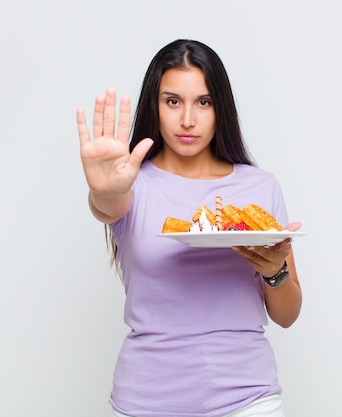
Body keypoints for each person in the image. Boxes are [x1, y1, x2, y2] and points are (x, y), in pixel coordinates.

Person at [76, 39, 302, 417]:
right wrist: (104, 189)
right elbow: (107, 205)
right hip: (145, 401)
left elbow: (287, 315)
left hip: (248, 399)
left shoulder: (259, 188)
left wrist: (273, 272)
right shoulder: (130, 185)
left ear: (221, 108)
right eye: (173, 101)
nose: (187, 121)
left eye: (204, 102)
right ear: (155, 105)